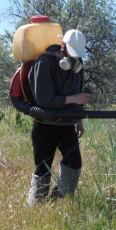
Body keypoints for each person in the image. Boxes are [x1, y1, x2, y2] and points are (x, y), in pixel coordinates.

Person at [26, 29, 91, 206]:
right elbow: (44, 99)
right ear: (62, 46)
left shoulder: (78, 66)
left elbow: (79, 94)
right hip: (45, 125)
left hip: (67, 125)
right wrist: (73, 99)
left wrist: (79, 120)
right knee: (43, 170)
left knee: (74, 163)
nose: (75, 58)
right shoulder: (44, 63)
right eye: (72, 53)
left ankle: (58, 201)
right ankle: (35, 207)